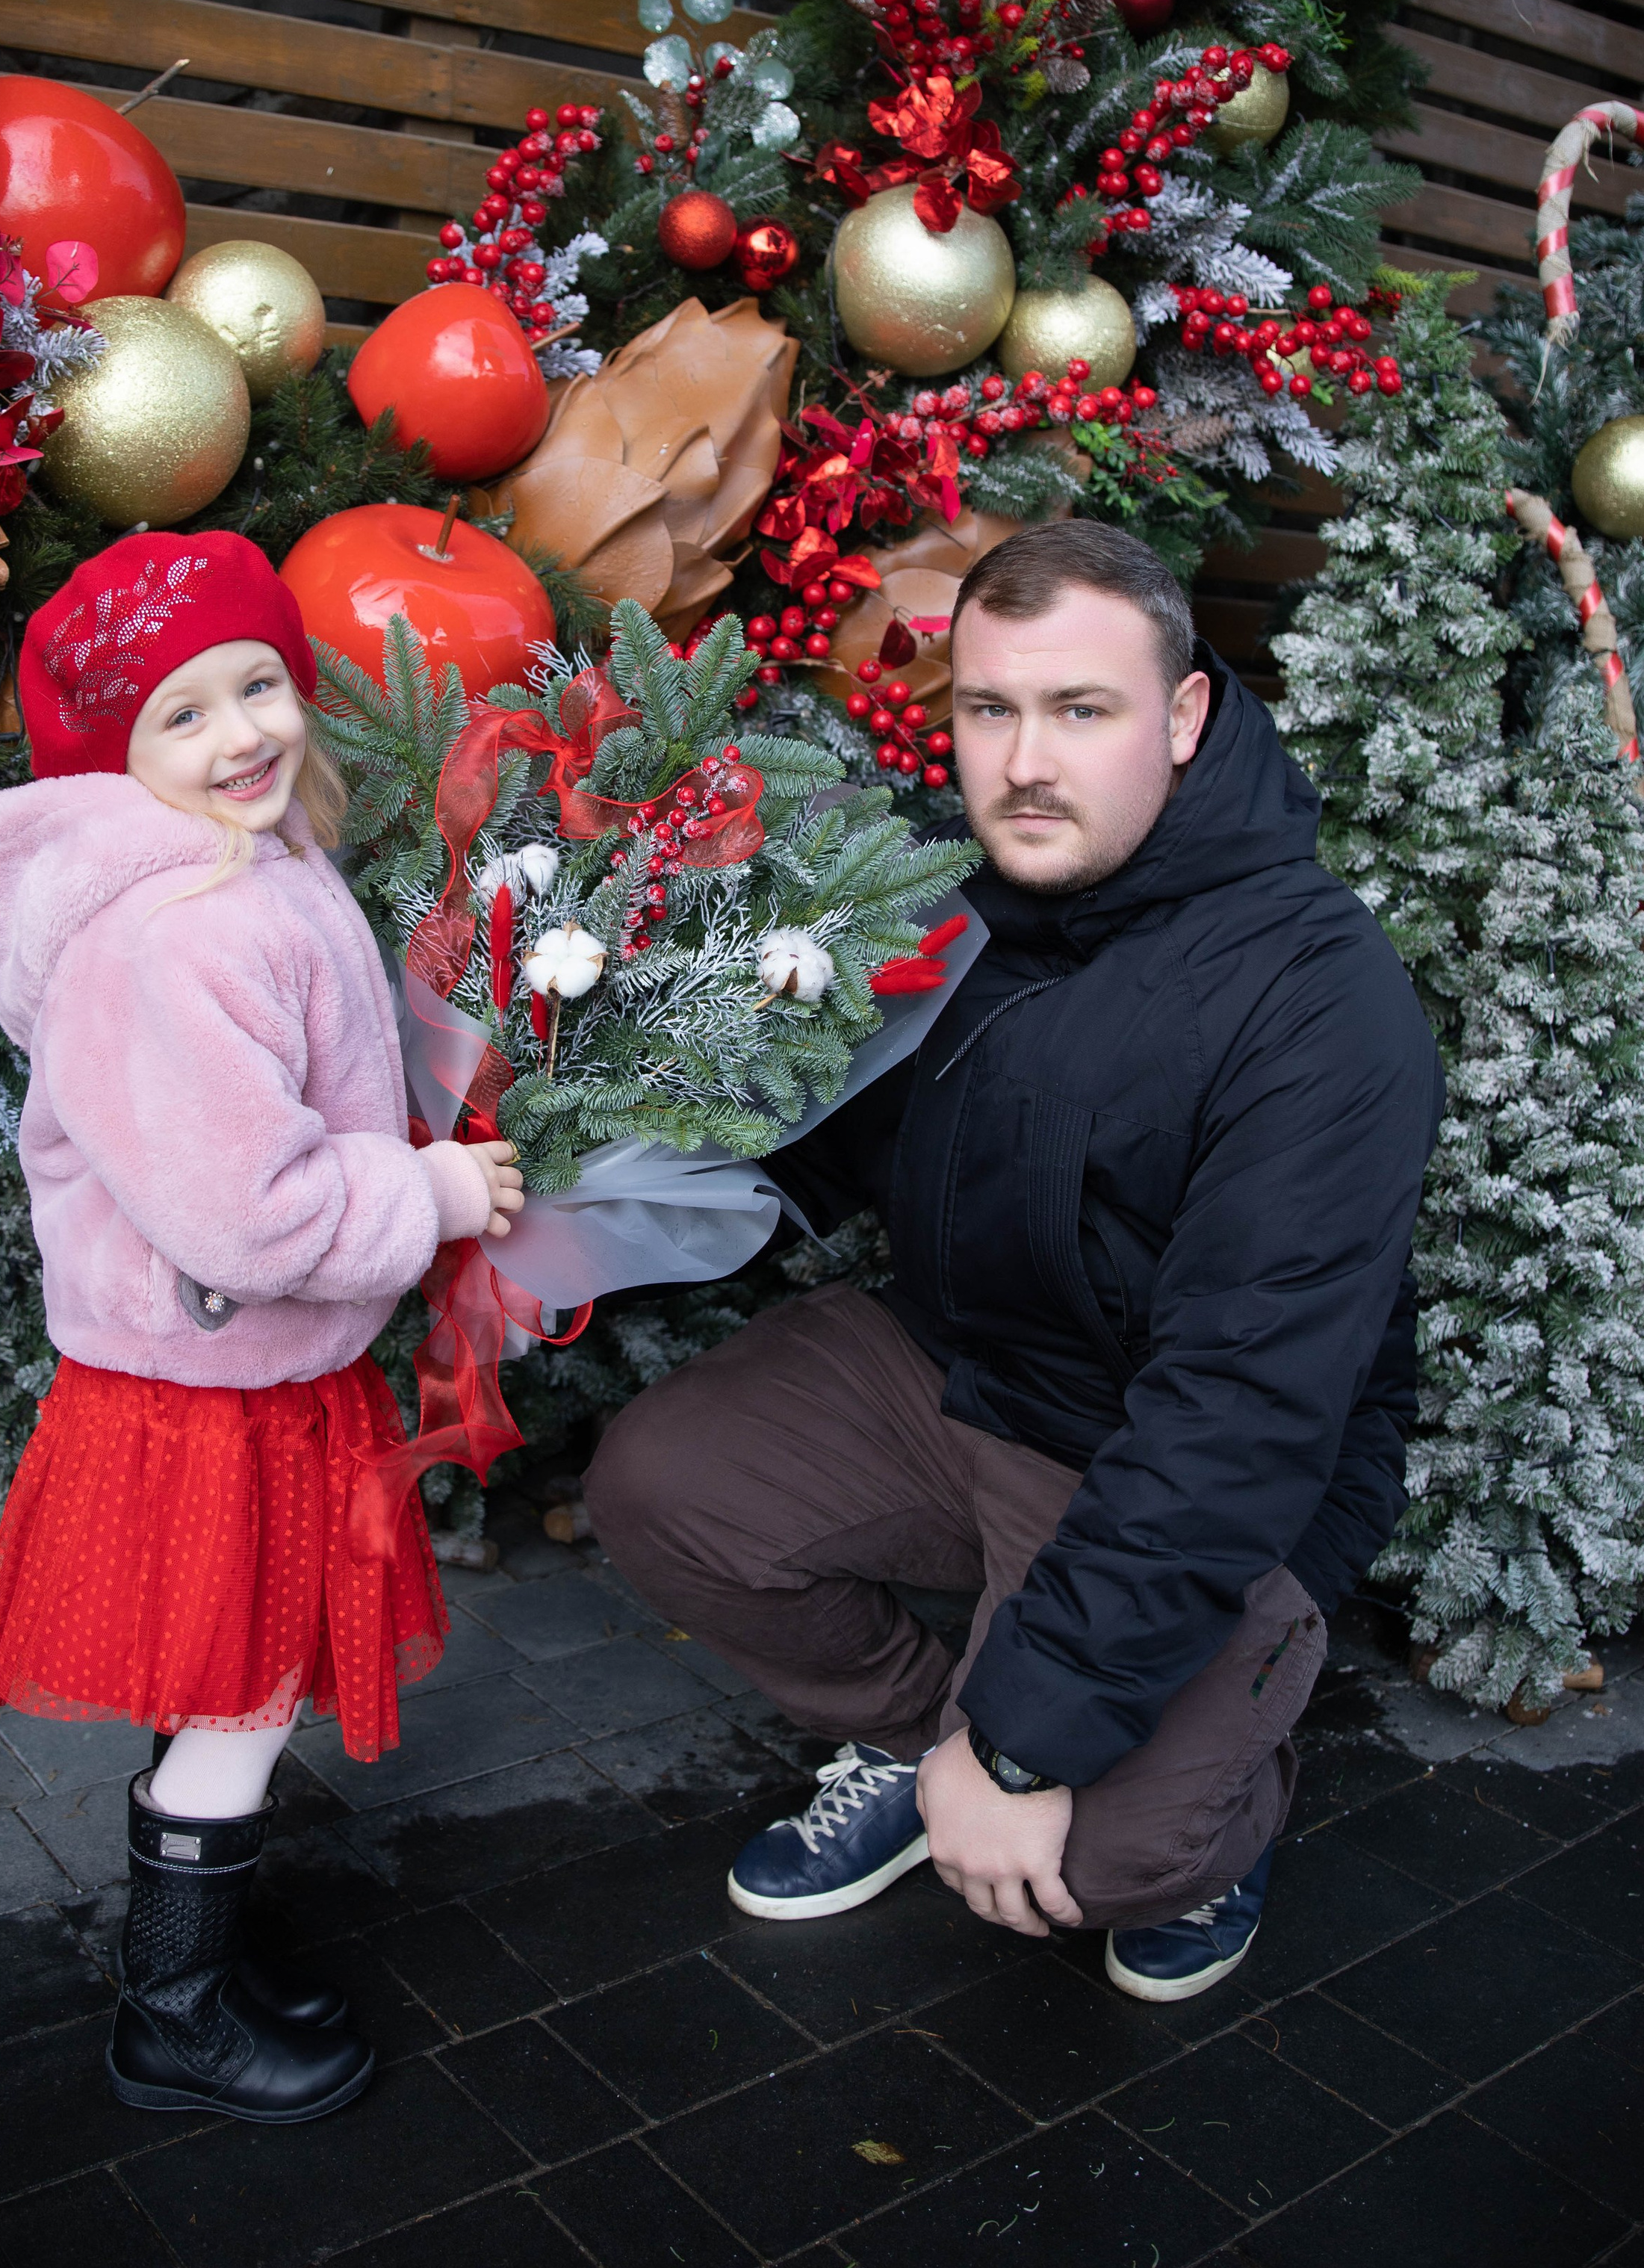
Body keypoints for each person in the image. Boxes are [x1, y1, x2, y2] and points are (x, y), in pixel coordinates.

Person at [591, 518, 1442, 2003]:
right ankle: (923, 1744)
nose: (1024, 763)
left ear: (1180, 717)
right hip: (966, 1365)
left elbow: (1236, 1411)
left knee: (1092, 1868)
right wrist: (562, 1196)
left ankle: (1202, 1807)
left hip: (1168, 1459)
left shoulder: (1317, 997)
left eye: (1081, 711)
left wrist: (1027, 1744)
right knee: (660, 1487)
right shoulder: (949, 904)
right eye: (990, 710)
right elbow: (818, 1140)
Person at [0, 530, 522, 2120]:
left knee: (225, 1688)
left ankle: (186, 1959)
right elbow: (245, 1214)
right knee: (242, 1702)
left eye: (257, 685)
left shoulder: (239, 859)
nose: (241, 734)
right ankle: (176, 2017)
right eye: (181, 716)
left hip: (243, 1375)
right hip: (210, 1393)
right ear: (116, 760)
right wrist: (432, 1200)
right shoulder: (176, 927)